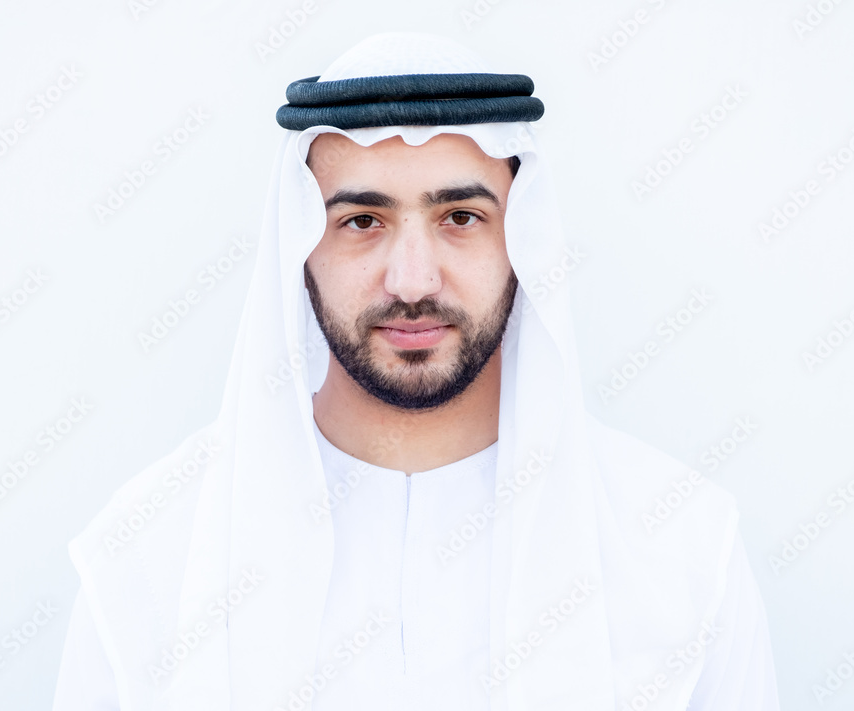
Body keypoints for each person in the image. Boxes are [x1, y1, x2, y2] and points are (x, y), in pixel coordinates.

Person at [53, 32, 781, 711]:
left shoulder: (681, 549)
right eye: (361, 221)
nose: (411, 280)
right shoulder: (145, 559)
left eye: (460, 217)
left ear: (522, 238)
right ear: (300, 246)